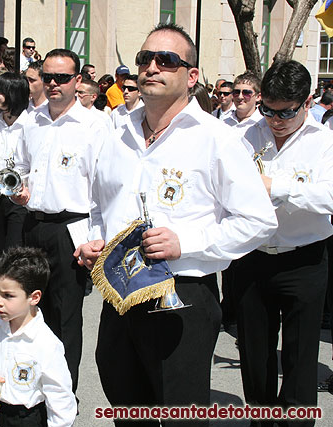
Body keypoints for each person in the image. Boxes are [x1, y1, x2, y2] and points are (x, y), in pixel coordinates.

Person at [75, 23, 277, 426]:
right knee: (127, 406)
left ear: (191, 75)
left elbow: (258, 220)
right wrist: (93, 240)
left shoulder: (217, 138)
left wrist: (187, 242)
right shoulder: (116, 133)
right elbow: (97, 204)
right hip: (121, 293)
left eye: (165, 60)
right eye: (144, 59)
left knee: (181, 413)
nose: (151, 67)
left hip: (182, 295)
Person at [237, 60, 333, 426]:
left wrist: (276, 188)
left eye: (286, 112)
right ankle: (261, 419)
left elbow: (329, 197)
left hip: (304, 259)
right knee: (254, 353)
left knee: (300, 355)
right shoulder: (244, 136)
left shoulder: (324, 143)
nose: (276, 120)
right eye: (269, 111)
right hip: (251, 257)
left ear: (307, 103)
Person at [11, 48, 110, 393]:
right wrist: (17, 188)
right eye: (47, 77)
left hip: (72, 229)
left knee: (66, 317)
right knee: (30, 312)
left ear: (78, 81)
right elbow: (20, 166)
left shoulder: (95, 125)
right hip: (32, 225)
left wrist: (95, 237)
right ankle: (33, 384)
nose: (53, 84)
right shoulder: (32, 121)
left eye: (62, 78)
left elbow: (104, 187)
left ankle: (63, 396)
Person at [0, 247, 77, 427]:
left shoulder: (46, 343)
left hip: (27, 418)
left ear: (34, 297)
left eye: (8, 296)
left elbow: (59, 394)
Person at [0, 73, 29, 256]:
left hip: (19, 195)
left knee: (15, 248)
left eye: (0, 91)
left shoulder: (30, 124)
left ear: (13, 94)